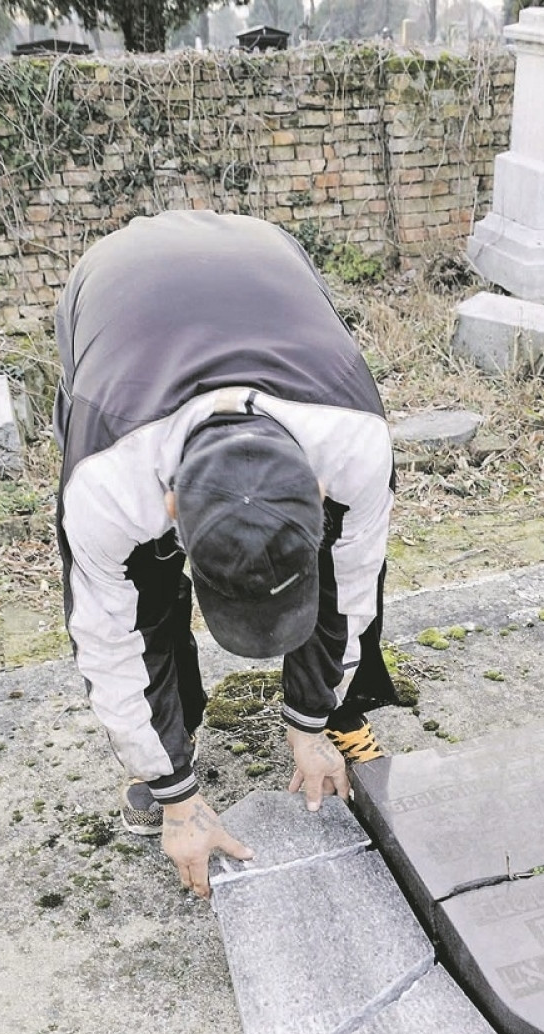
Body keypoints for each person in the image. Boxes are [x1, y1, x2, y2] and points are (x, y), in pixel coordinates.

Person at [53, 210, 397, 899]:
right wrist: (177, 797)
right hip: (114, 290)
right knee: (148, 598)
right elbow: (109, 641)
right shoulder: (108, 482)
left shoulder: (354, 444)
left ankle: (338, 712)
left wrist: (313, 717)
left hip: (266, 258)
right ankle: (164, 751)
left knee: (339, 581)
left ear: (320, 490)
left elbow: (352, 586)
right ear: (172, 511)